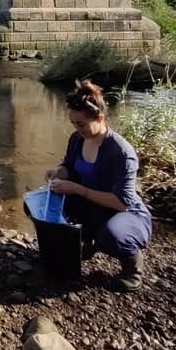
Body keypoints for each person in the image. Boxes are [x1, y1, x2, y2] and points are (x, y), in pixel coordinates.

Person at [44, 79, 152, 291]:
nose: (76, 128)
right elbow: (69, 167)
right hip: (92, 205)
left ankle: (133, 269)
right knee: (47, 202)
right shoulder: (77, 139)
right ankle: (87, 242)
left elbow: (121, 202)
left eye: (81, 124)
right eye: (73, 123)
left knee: (112, 236)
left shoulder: (121, 153)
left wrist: (76, 189)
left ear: (100, 118)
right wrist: (58, 173)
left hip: (127, 213)